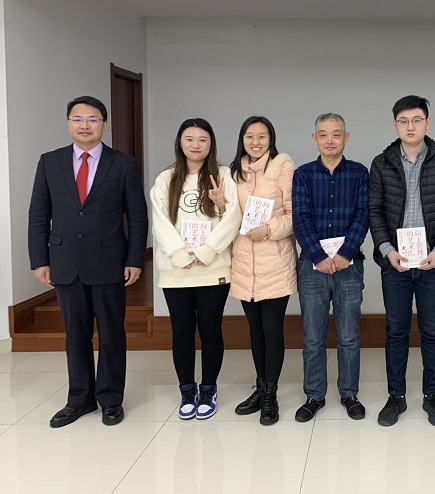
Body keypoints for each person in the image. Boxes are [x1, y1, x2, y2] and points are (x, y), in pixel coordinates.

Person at [28, 95, 148, 428]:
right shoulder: (50, 162)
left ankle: (110, 399)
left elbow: (137, 215)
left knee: (111, 334)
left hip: (110, 261)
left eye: (93, 119)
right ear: (68, 123)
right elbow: (39, 213)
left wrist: (135, 258)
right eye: (78, 119)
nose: (85, 125)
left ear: (104, 125)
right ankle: (79, 398)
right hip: (65, 260)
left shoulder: (123, 163)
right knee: (75, 334)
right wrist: (39, 259)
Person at [369, 95, 435, 427]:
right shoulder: (382, 163)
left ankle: (432, 396)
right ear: (395, 125)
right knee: (396, 331)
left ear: (427, 122)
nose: (410, 127)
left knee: (432, 330)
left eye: (417, 120)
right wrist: (386, 249)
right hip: (394, 263)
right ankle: (396, 396)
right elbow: (374, 211)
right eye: (403, 121)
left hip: (431, 263)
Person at [150, 118, 241, 420]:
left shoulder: (223, 175)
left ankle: (209, 388)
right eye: (189, 139)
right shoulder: (166, 179)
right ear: (179, 142)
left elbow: (234, 217)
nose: (196, 145)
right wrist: (179, 254)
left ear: (211, 143)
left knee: (211, 330)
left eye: (203, 139)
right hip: (176, 269)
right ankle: (187, 390)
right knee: (181, 332)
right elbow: (160, 221)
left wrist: (207, 250)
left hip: (212, 268)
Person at [292, 113, 368, 422]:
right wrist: (318, 256)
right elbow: (300, 218)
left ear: (346, 138)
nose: (330, 140)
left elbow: (363, 214)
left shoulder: (359, 173)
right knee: (313, 337)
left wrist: (346, 253)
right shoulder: (303, 174)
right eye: (323, 134)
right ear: (315, 139)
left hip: (349, 265)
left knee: (349, 335)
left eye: (336, 134)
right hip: (312, 267)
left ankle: (349, 393)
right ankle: (314, 395)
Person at [229, 116, 297, 426]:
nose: (255, 142)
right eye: (249, 136)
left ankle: (271, 394)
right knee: (254, 330)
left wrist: (269, 229)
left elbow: (296, 215)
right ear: (242, 140)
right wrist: (219, 204)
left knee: (272, 330)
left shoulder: (283, 168)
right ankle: (259, 388)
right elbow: (232, 217)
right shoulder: (235, 172)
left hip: (275, 261)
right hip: (245, 262)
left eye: (262, 136)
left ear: (271, 139)